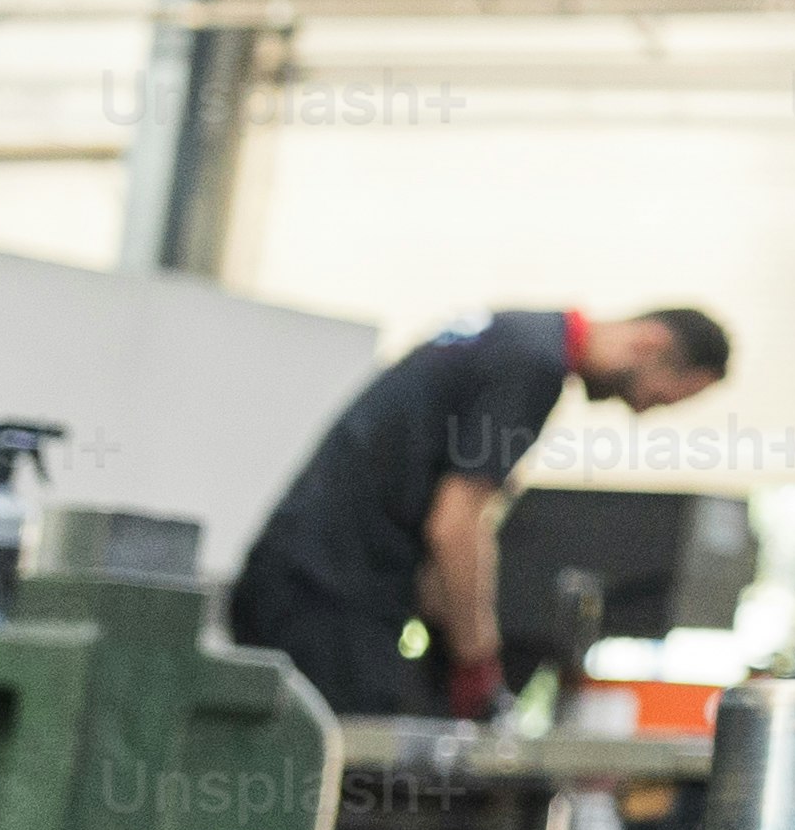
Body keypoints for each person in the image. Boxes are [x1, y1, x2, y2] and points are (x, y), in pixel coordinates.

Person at [224, 307, 730, 719]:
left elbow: (431, 522)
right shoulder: (534, 365)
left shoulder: (513, 335)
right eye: (657, 398)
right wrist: (478, 664)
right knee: (339, 787)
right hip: (325, 600)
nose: (641, 412)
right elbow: (456, 526)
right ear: (650, 344)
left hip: (301, 581)